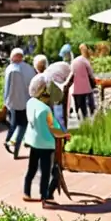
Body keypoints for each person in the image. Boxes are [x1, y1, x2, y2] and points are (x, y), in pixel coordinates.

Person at [22, 74, 65, 206]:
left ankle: (26, 192)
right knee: (46, 172)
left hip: (33, 141)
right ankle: (44, 197)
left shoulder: (30, 103)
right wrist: (65, 135)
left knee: (32, 168)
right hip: (46, 144)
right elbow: (54, 127)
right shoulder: (46, 109)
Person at [2, 48, 36, 158]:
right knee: (22, 125)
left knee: (14, 123)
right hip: (27, 101)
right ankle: (15, 146)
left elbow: (7, 88)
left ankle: (9, 141)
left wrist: (5, 101)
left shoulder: (11, 69)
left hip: (14, 102)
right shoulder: (29, 68)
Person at [44, 58, 72, 130]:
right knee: (59, 113)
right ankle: (62, 132)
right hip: (55, 87)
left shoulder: (53, 67)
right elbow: (67, 84)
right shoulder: (68, 69)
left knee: (52, 112)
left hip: (47, 85)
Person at [70, 44, 97, 120]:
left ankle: (81, 118)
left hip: (76, 89)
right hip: (86, 88)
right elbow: (91, 74)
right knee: (89, 105)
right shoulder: (85, 61)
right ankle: (90, 116)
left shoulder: (74, 61)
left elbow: (71, 72)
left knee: (80, 107)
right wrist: (94, 82)